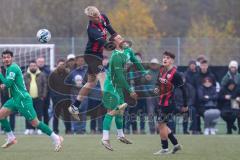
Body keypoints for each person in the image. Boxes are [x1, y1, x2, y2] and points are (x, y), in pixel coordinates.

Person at [0, 50, 63, 151]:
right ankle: (11, 137)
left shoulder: (13, 67)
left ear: (12, 58)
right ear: (2, 59)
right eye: (4, 57)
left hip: (22, 99)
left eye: (8, 57)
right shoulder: (9, 69)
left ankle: (56, 138)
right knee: (1, 115)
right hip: (15, 99)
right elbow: (9, 84)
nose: (6, 59)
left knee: (35, 123)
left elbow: (7, 83)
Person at [68, 6, 121, 115]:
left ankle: (75, 106)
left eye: (98, 16)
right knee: (103, 77)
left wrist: (121, 41)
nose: (98, 19)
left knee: (91, 82)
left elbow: (113, 33)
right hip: (91, 55)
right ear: (90, 17)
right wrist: (118, 47)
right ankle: (111, 105)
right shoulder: (92, 29)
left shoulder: (103, 17)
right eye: (95, 18)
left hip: (99, 55)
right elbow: (106, 45)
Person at [101, 35, 147, 151]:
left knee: (121, 110)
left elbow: (135, 60)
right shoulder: (115, 57)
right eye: (119, 39)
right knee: (112, 111)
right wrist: (130, 90)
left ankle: (120, 135)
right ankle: (105, 138)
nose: (123, 40)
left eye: (121, 37)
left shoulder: (127, 51)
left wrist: (144, 72)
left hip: (119, 86)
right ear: (114, 43)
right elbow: (120, 76)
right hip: (111, 86)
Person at [153, 51, 188, 155]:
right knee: (162, 126)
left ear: (172, 61)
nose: (165, 59)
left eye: (167, 58)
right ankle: (176, 145)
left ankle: (164, 149)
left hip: (169, 104)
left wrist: (185, 105)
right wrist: (156, 88)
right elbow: (157, 83)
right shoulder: (161, 70)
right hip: (160, 103)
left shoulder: (176, 74)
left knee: (160, 125)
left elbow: (184, 90)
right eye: (164, 57)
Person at [24, 60, 47, 135]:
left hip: (39, 97)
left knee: (38, 114)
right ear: (29, 66)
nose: (33, 67)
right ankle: (28, 128)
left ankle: (39, 128)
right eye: (31, 66)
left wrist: (43, 95)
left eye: (34, 65)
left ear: (36, 66)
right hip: (28, 98)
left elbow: (45, 86)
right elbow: (22, 86)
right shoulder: (25, 75)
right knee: (28, 113)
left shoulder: (42, 74)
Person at [36, 57, 51, 125]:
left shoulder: (48, 71)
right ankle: (35, 127)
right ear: (36, 62)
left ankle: (46, 125)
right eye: (39, 61)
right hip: (35, 94)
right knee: (36, 111)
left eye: (42, 62)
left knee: (45, 111)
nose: (40, 63)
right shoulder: (33, 70)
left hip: (46, 95)